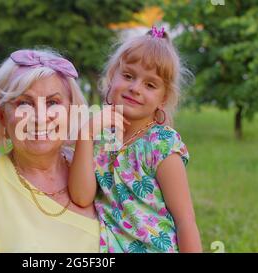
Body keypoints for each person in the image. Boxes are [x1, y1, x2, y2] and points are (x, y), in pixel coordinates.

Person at [68, 26, 202, 252]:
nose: (135, 88)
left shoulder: (161, 144)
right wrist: (86, 135)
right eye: (128, 76)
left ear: (164, 97)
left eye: (150, 85)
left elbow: (185, 220)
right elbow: (81, 197)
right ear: (112, 77)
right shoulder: (101, 136)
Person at [0, 49, 100, 252]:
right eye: (24, 103)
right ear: (1, 113)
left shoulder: (99, 170)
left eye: (52, 103)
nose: (40, 117)